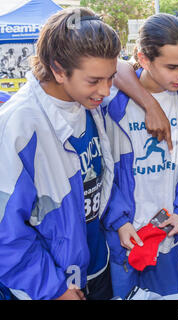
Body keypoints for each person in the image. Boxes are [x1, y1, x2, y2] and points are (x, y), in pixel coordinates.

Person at [0, 8, 126, 300]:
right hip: (50, 286)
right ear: (58, 70)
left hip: (96, 268)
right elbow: (5, 234)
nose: (106, 91)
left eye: (110, 77)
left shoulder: (89, 103)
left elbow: (96, 179)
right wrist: (53, 288)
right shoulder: (17, 127)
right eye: (94, 80)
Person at [103, 13, 178, 298]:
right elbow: (102, 174)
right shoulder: (111, 104)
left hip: (168, 237)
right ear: (144, 59)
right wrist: (119, 221)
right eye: (173, 66)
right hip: (123, 237)